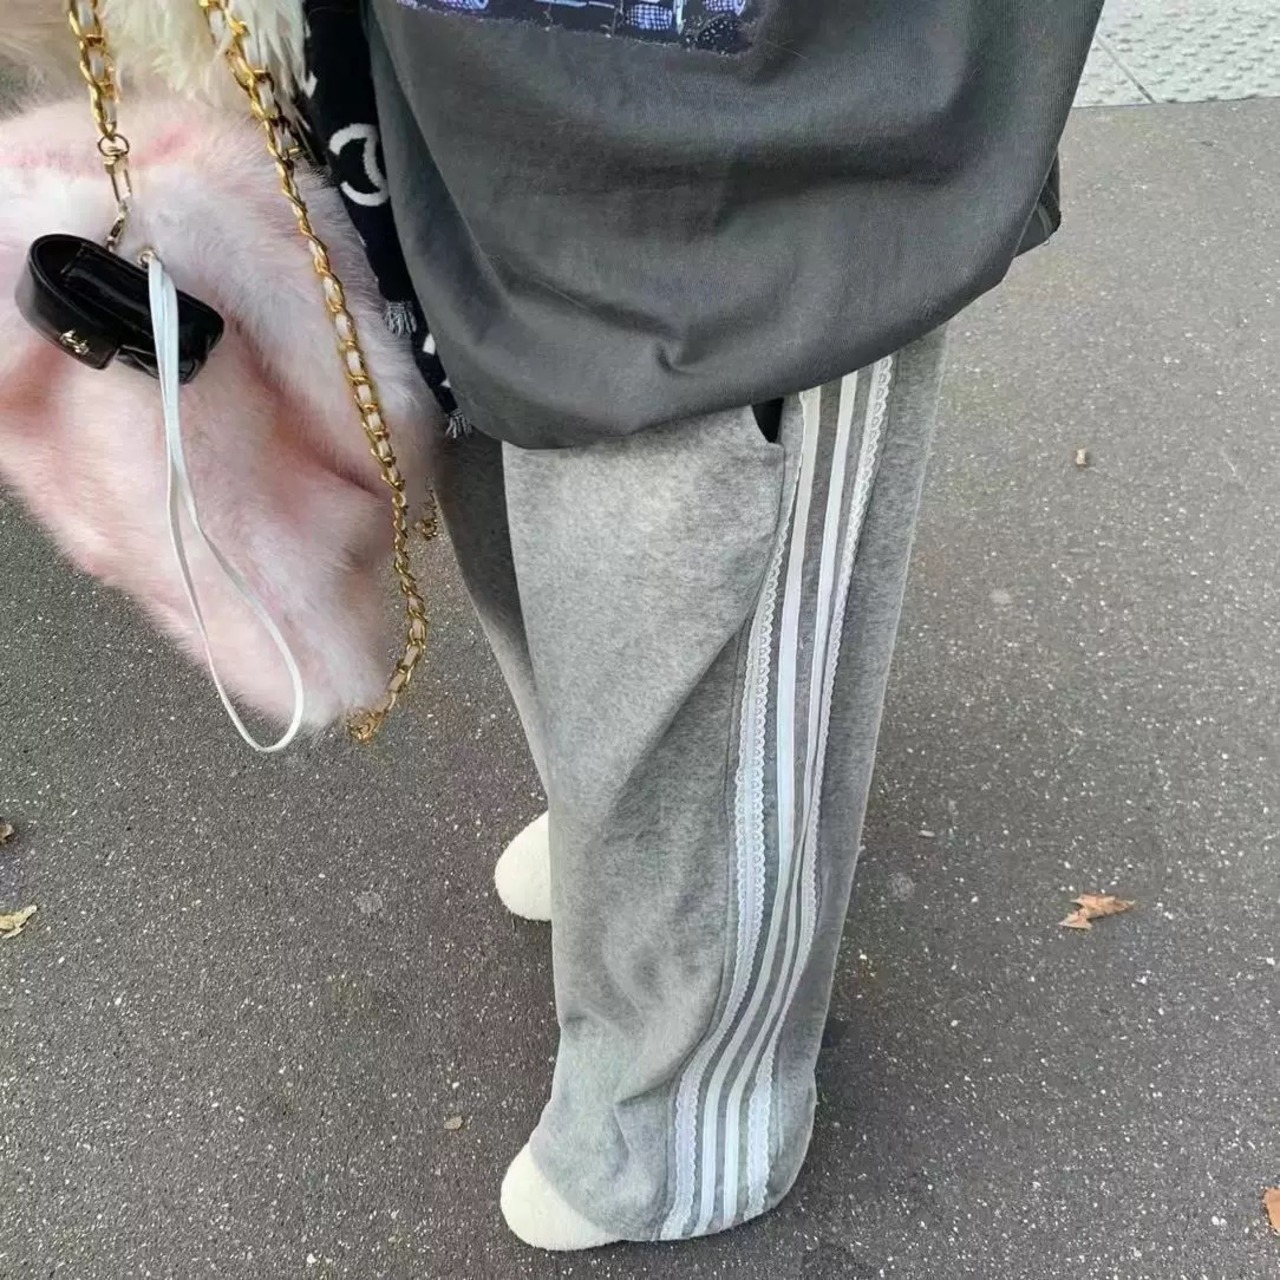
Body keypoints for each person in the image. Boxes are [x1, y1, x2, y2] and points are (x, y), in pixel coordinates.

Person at [327, 0, 1103, 1249]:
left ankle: (686, 1131)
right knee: (528, 515)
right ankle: (616, 858)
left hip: (758, 119)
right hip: (476, 82)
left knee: (711, 564)